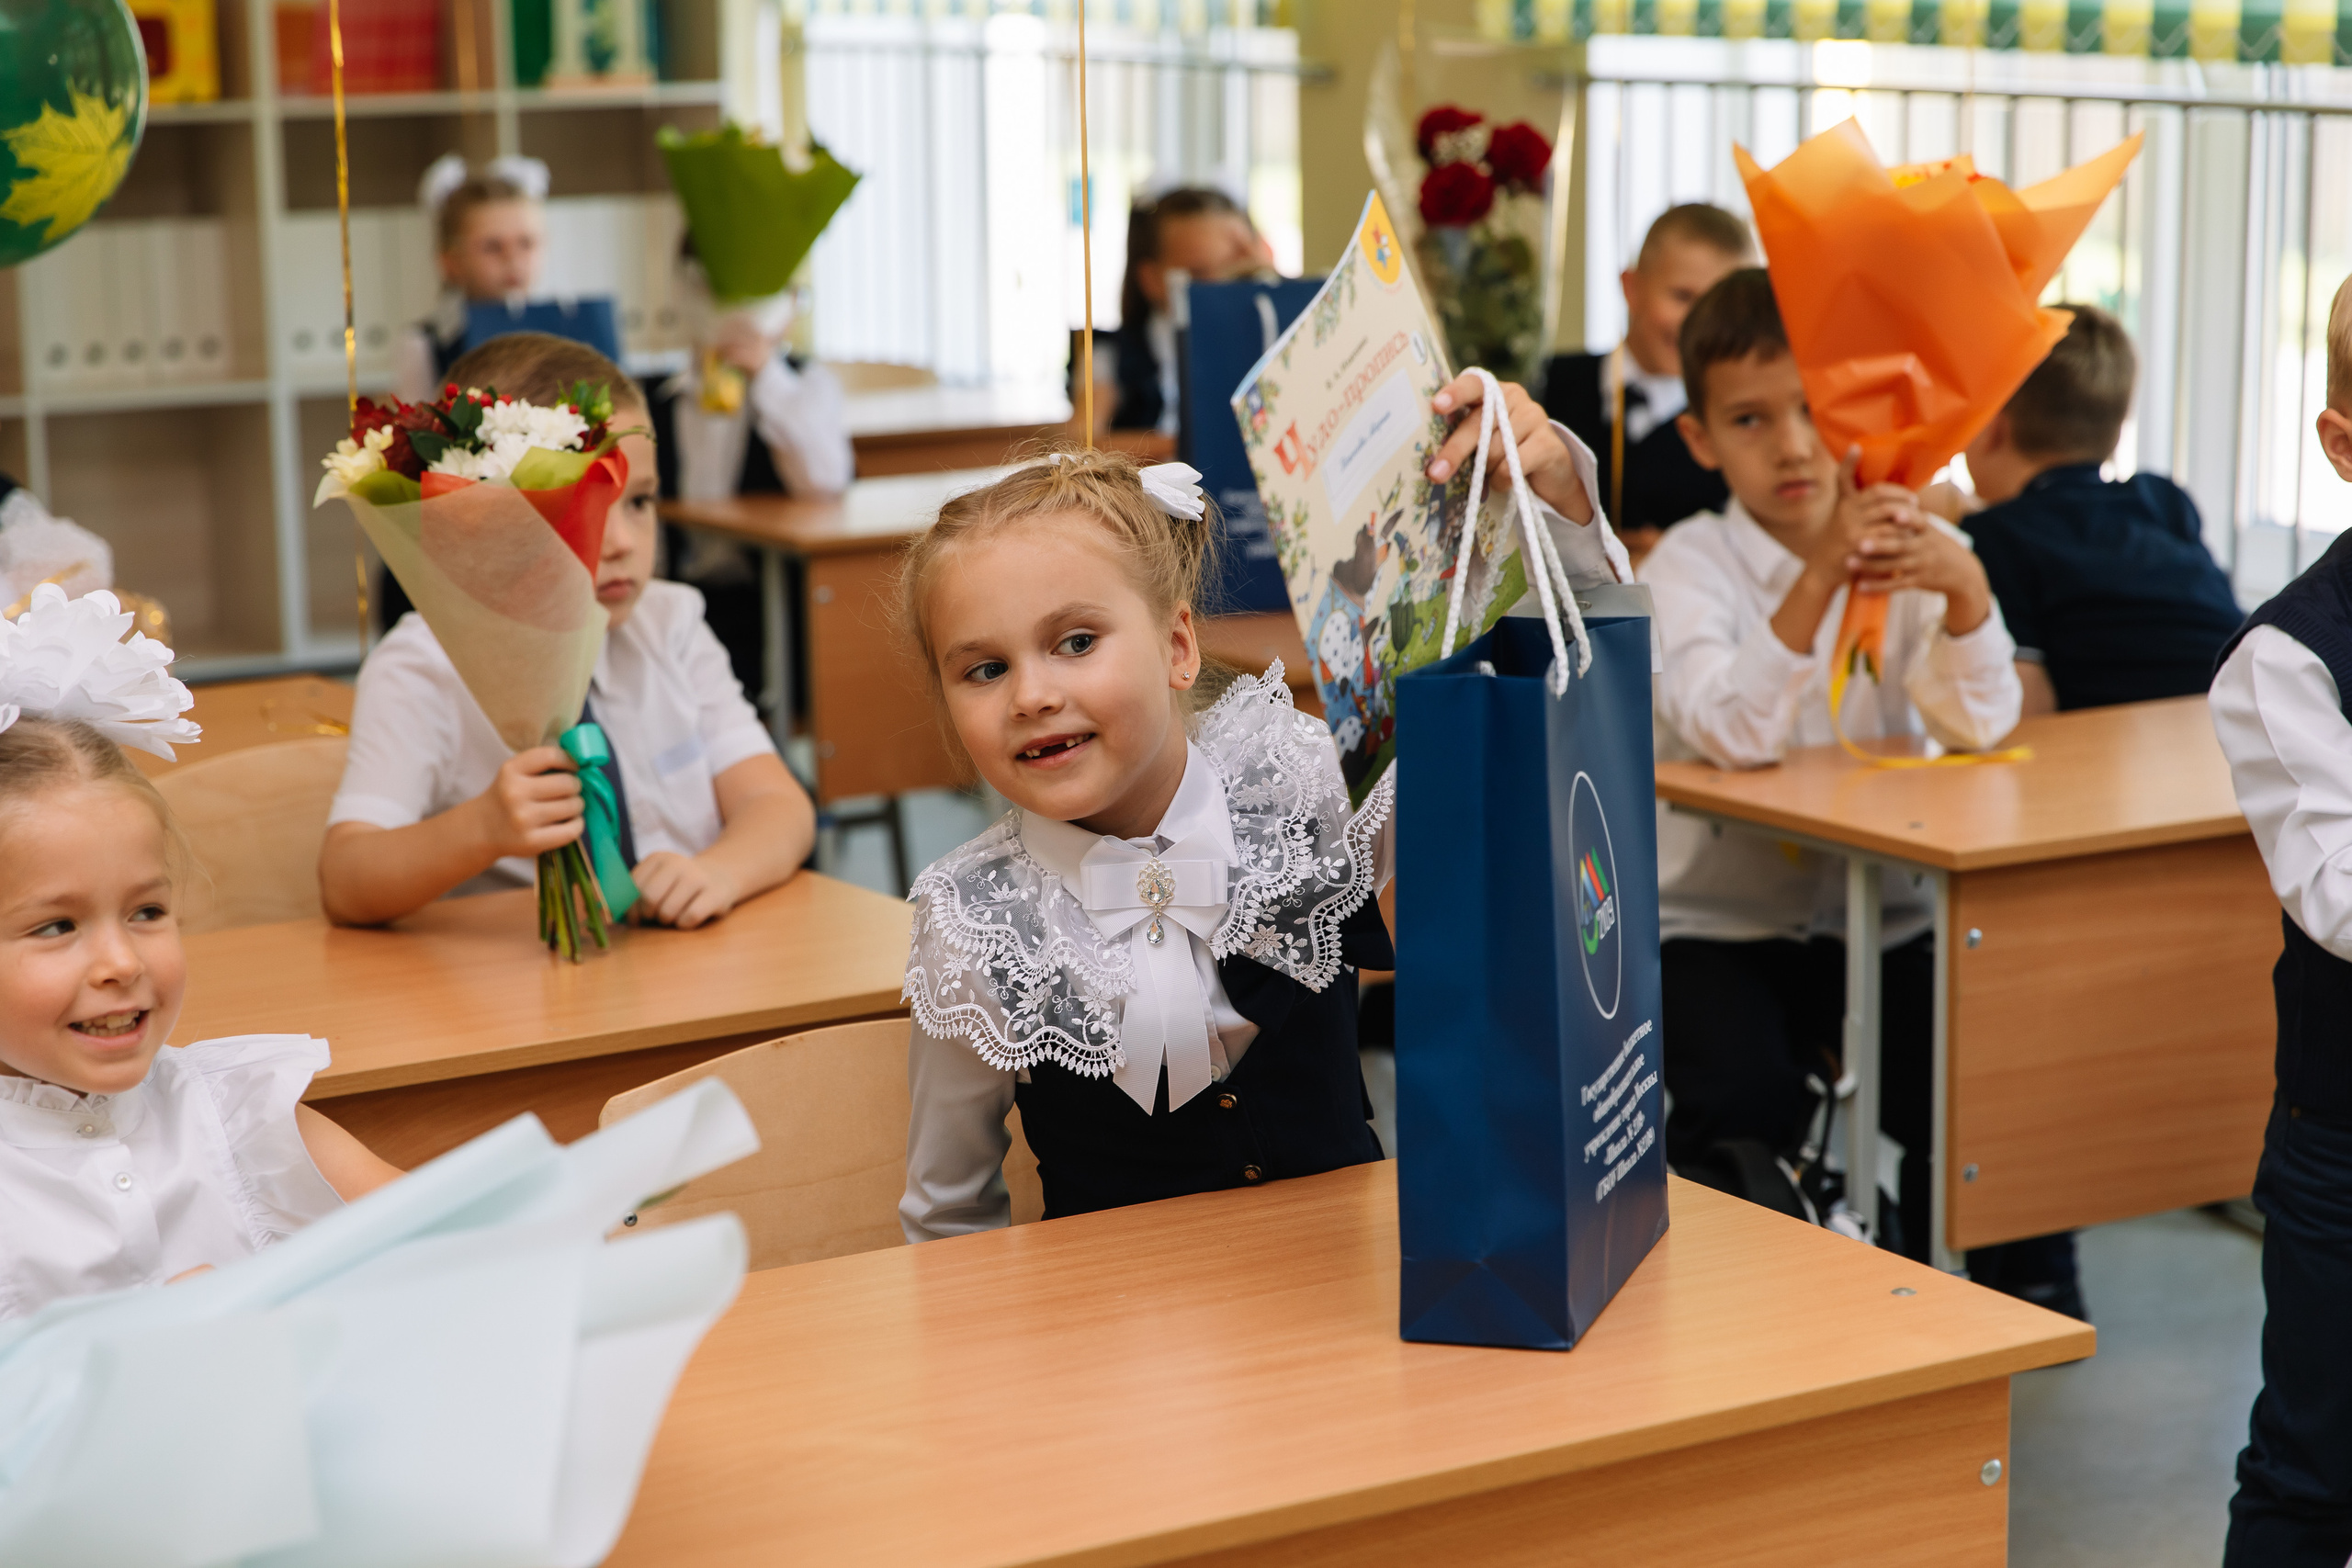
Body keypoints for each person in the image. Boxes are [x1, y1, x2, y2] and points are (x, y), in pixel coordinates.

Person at [895, 375, 1624, 1237]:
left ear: (1176, 644)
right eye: (984, 669)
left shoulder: (1301, 786)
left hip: (1348, 1302)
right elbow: (948, 1214)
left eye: (1077, 641)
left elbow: (1551, 730)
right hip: (1110, 1345)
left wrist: (1553, 506)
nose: (1032, 694)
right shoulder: (977, 920)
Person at [1642, 268, 2028, 1271]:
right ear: (1699, 440)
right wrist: (1819, 577)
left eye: (1817, 411)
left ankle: (2016, 1279)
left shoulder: (1913, 539)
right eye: (1750, 420)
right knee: (1742, 1102)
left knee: (1980, 1086)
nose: (1794, 446)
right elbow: (1733, 730)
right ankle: (1752, 1293)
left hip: (1884, 916)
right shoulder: (1685, 566)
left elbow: (1984, 723)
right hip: (1722, 922)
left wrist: (1967, 594)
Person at [321, 333, 817, 929]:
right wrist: (481, 829)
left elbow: (780, 804)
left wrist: (721, 871)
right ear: (488, 515)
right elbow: (346, 877)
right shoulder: (421, 666)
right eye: (584, 507)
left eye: (640, 502)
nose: (624, 543)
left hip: (694, 963)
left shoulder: (671, 623)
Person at [0, 594, 401, 1321]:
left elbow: (455, 1233)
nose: (121, 960)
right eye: (57, 926)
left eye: (147, 912)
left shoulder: (236, 1114)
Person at [2209, 272, 2352, 1567]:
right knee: (2312, 1470)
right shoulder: (2288, 654)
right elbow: (2338, 896)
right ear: (2342, 445)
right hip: (2345, 1142)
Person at [1934, 304, 2243, 716]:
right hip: (2235, 709)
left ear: (1993, 428)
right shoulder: (2162, 500)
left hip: (2118, 746)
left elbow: (2026, 708)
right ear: (2114, 434)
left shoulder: (1995, 536)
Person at [651, 280, 854, 698]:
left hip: (771, 602)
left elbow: (825, 480)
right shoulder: (658, 396)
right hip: (680, 598)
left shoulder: (805, 384)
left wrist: (766, 376)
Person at [1543, 203, 1752, 559]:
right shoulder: (1545, 384)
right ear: (1632, 287)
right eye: (1682, 297)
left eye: (1716, 307)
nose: (1696, 325)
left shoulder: (1742, 422)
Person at [1105, 187, 1276, 435]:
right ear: (1151, 279)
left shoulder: (1263, 346)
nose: (1219, 288)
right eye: (1199, 275)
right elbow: (1084, 440)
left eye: (1236, 270)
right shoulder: (1113, 358)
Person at [394, 153, 551, 406]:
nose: (513, 260)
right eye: (492, 246)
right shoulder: (427, 345)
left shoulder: (563, 329)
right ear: (450, 261)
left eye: (526, 243)